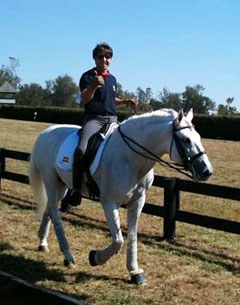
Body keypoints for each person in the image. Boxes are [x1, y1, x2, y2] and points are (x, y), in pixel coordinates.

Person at [60, 42, 138, 211]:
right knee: (81, 149)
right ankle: (75, 189)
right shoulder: (88, 76)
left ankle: (122, 190)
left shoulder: (112, 78)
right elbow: (85, 99)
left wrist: (125, 102)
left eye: (107, 56)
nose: (104, 59)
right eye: (100, 56)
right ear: (94, 58)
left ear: (111, 59)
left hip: (112, 120)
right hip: (94, 120)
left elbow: (112, 101)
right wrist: (94, 84)